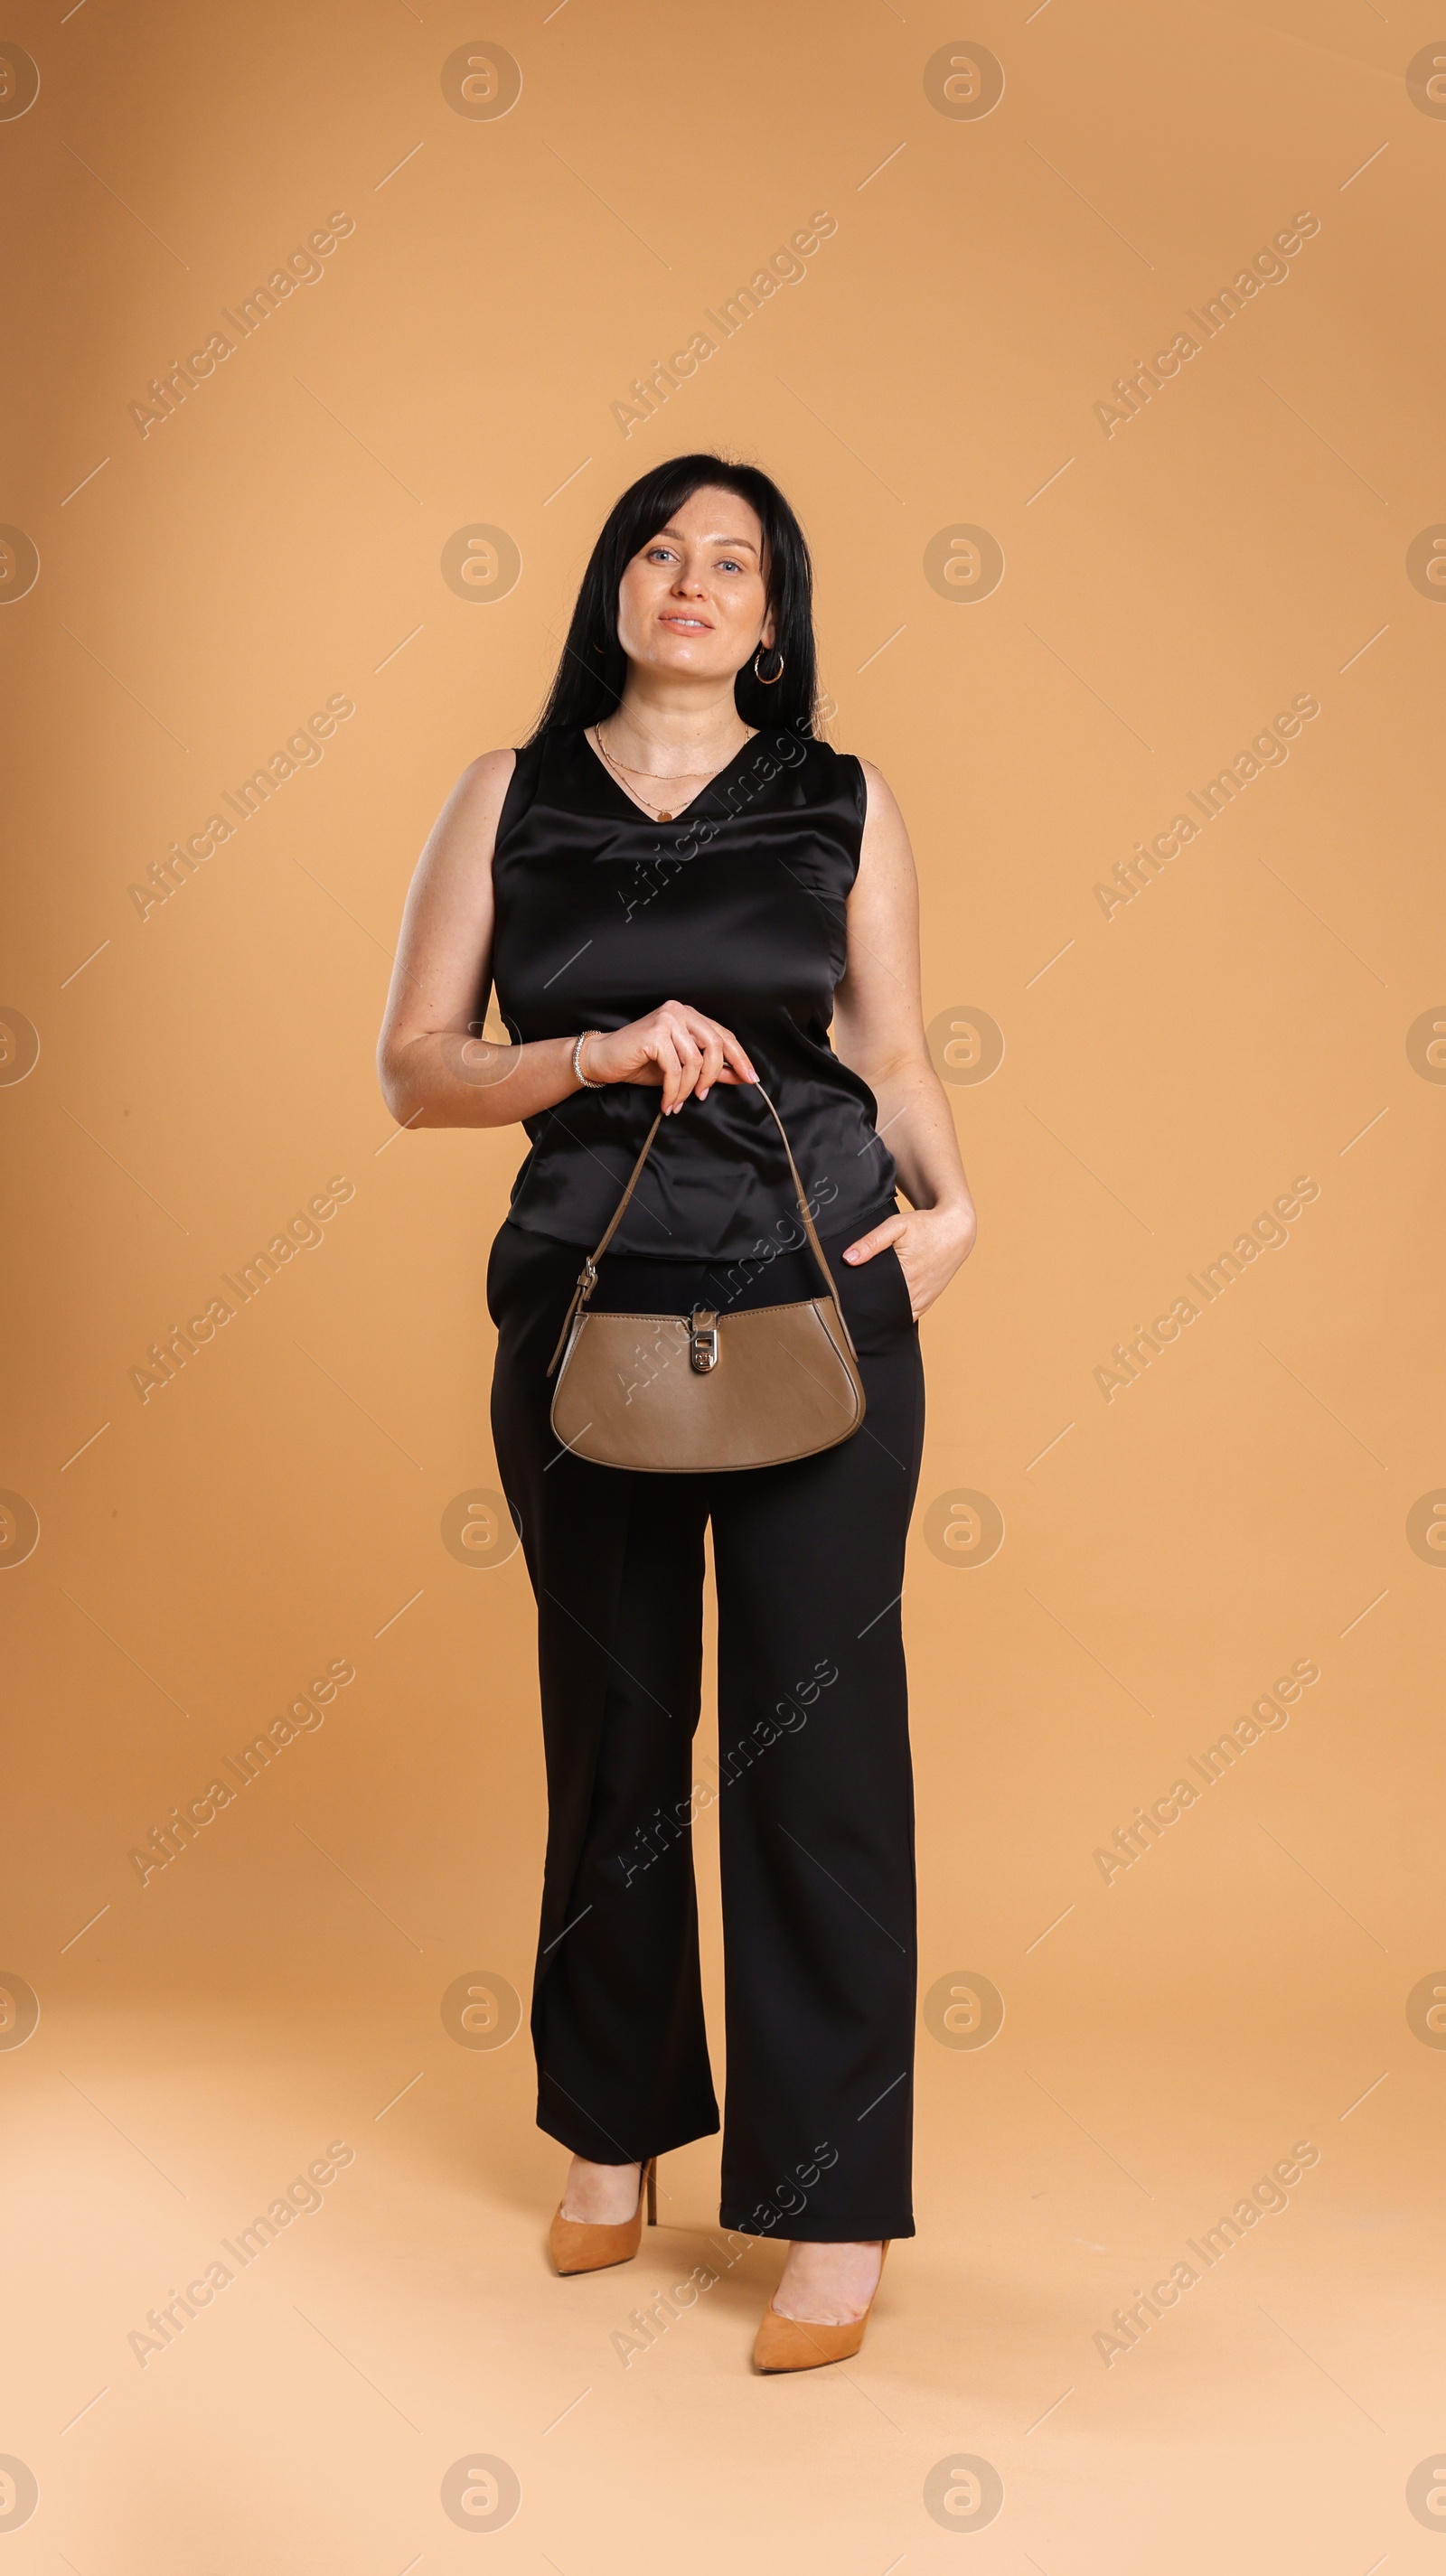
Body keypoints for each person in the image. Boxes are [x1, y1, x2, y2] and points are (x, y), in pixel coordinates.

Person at [378, 453, 976, 2371]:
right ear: (613, 589)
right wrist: (593, 1050)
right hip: (586, 1317)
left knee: (818, 1764)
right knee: (614, 1739)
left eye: (732, 561)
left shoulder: (839, 798)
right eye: (660, 550)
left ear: (774, 615)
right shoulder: (508, 791)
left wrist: (952, 1212)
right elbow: (412, 1068)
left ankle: (829, 2207)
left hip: (817, 1304)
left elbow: (884, 1044)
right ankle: (612, 2130)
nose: (691, 581)